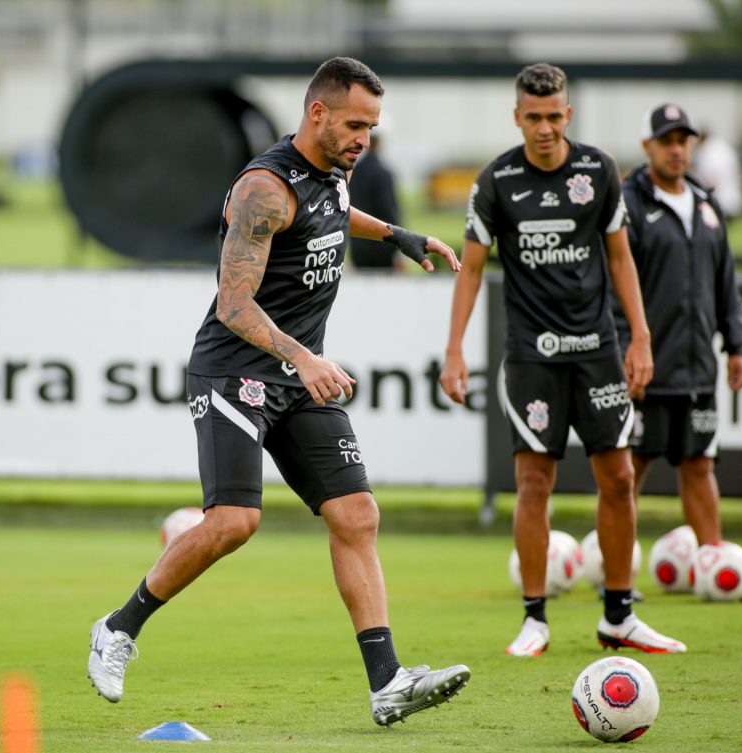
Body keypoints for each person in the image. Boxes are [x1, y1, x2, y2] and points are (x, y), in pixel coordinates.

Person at [87, 56, 471, 726]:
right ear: (317, 113)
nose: (365, 139)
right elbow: (233, 303)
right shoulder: (265, 187)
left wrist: (398, 234)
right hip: (236, 368)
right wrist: (302, 355)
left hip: (296, 375)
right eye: (355, 124)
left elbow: (332, 212)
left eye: (373, 127)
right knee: (235, 521)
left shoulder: (334, 172)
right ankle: (118, 627)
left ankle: (387, 682)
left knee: (357, 515)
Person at [439, 63, 686, 658]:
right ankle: (534, 619)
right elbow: (471, 268)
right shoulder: (496, 181)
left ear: (567, 116)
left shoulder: (599, 169)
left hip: (598, 351)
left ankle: (618, 616)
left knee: (620, 478)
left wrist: (641, 337)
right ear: (517, 117)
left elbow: (621, 259)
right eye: (534, 117)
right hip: (532, 357)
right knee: (533, 481)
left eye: (554, 117)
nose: (545, 128)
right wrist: (454, 351)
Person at [618, 103, 742, 602]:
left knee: (700, 466)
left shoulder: (707, 204)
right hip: (646, 366)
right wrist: (625, 349)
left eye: (685, 140)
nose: (677, 149)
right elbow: (614, 287)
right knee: (631, 469)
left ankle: (716, 567)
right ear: (648, 147)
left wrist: (737, 346)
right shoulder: (630, 205)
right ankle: (619, 580)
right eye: (667, 140)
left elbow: (726, 283)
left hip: (698, 366)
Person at [348, 133, 403, 270]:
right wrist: (399, 247)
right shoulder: (383, 173)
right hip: (383, 248)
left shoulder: (352, 172)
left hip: (358, 248)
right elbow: (389, 212)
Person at [694, 128, 742, 221]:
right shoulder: (724, 147)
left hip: (719, 202)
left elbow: (709, 181)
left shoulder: (706, 153)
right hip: (734, 199)